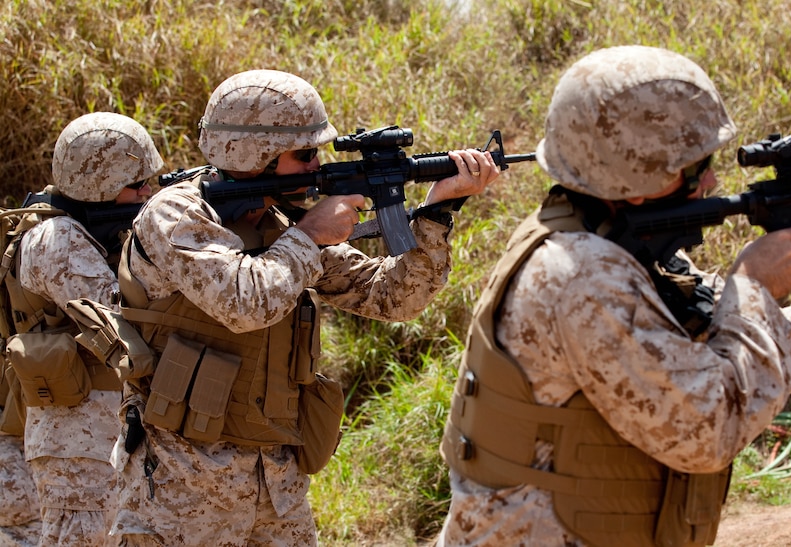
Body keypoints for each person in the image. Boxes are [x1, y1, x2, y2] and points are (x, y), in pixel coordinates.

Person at [437, 45, 791, 547]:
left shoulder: (608, 240)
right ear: (636, 177)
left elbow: (739, 360)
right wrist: (753, 286)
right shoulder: (584, 278)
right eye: (693, 166)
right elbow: (710, 427)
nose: (710, 179)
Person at [105, 69, 500, 545]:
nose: (317, 165)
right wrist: (311, 234)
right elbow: (244, 303)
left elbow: (393, 297)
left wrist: (436, 211)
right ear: (257, 154)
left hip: (277, 486)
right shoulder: (176, 214)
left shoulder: (280, 220)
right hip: (180, 487)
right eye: (305, 154)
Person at [11, 112, 161, 546]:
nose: (149, 193)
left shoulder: (96, 233)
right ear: (100, 185)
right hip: (74, 443)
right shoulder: (56, 240)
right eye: (138, 184)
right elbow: (117, 313)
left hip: (106, 431)